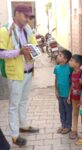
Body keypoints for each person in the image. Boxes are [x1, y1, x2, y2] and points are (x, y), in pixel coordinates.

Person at [0, 4, 39, 146]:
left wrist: (33, 52)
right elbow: (1, 53)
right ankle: (15, 136)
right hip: (16, 74)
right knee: (14, 105)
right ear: (16, 13)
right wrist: (19, 52)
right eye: (25, 16)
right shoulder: (5, 30)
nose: (28, 19)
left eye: (30, 16)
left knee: (23, 101)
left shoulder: (27, 30)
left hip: (28, 71)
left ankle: (23, 125)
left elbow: (34, 46)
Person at [54, 49, 72, 134]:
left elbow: (72, 82)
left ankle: (68, 126)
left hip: (67, 95)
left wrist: (69, 95)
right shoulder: (56, 68)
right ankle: (63, 125)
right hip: (60, 94)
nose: (58, 56)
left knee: (68, 111)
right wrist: (56, 90)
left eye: (60, 55)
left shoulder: (69, 68)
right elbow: (56, 79)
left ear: (65, 59)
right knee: (61, 110)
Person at [69, 54, 82, 139]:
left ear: (77, 64)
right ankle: (74, 130)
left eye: (71, 60)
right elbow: (71, 85)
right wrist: (69, 96)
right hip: (74, 98)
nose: (69, 62)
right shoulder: (72, 73)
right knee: (75, 114)